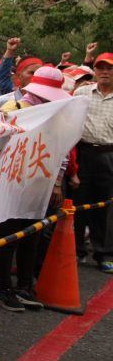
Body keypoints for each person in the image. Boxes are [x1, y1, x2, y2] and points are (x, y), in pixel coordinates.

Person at [0, 66, 72, 311]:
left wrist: (57, 181)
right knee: (8, 236)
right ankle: (4, 288)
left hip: (40, 184)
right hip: (10, 184)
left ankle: (25, 286)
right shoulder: (10, 111)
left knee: (32, 235)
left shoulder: (57, 115)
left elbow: (62, 150)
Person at [72, 52, 113, 273]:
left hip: (109, 154)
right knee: (79, 203)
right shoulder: (82, 92)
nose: (105, 72)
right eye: (101, 68)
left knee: (105, 205)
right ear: (94, 71)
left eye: (109, 68)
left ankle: (104, 253)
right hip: (84, 152)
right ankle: (77, 250)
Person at [0, 37, 43, 110]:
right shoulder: (3, 101)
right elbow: (2, 77)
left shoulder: (48, 101)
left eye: (40, 73)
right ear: (18, 75)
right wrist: (9, 51)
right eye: (31, 73)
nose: (36, 76)